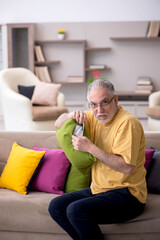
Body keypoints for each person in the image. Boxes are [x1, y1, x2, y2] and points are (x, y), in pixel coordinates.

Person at [48, 79, 147, 240]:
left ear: (115, 100)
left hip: (128, 194)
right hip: (99, 190)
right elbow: (57, 124)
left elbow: (126, 167)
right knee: (56, 207)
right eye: (93, 104)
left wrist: (90, 148)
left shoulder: (128, 123)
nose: (99, 110)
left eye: (104, 102)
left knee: (75, 210)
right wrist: (70, 115)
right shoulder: (94, 117)